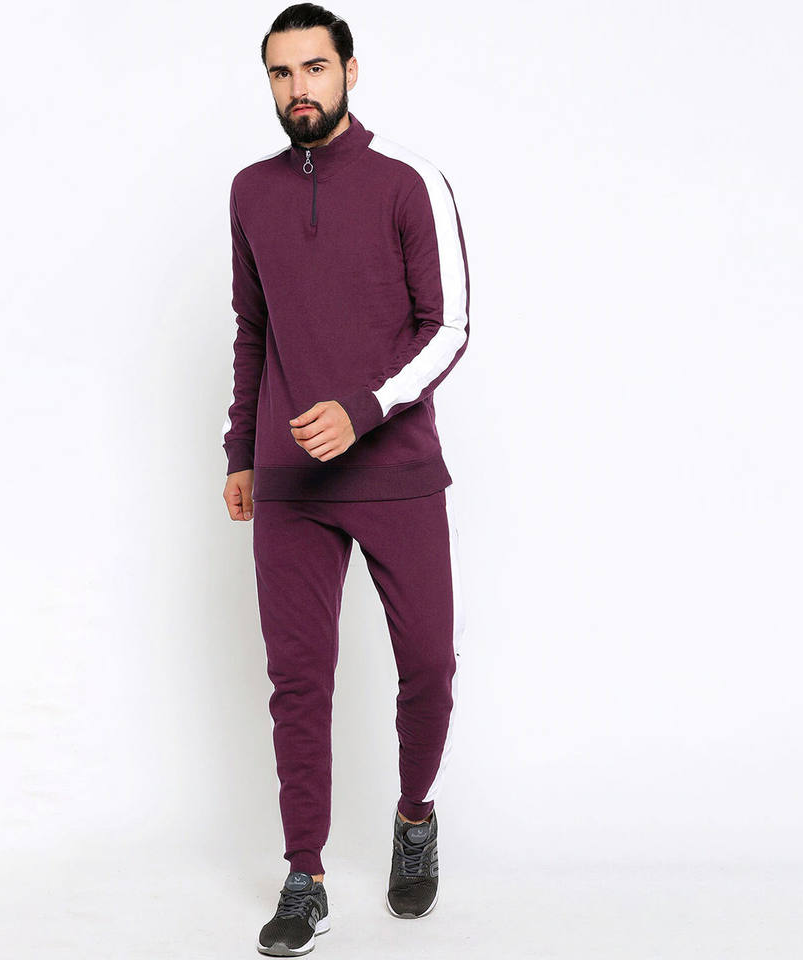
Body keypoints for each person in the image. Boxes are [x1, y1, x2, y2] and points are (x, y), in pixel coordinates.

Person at [220, 4, 470, 955]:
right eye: (281, 73)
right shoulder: (250, 191)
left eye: (315, 69)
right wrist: (241, 451)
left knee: (429, 668)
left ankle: (415, 816)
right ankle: (305, 875)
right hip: (290, 482)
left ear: (350, 72)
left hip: (397, 471)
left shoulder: (409, 178)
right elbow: (253, 329)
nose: (299, 89)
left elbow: (448, 326)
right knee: (298, 682)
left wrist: (364, 411)